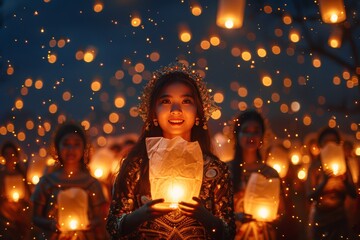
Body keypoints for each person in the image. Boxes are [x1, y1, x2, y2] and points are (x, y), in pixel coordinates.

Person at [106, 62, 235, 239]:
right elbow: (113, 226)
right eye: (166, 101)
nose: (176, 110)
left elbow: (229, 232)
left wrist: (208, 219)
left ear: (197, 112)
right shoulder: (137, 165)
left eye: (186, 101)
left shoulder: (215, 170)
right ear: (154, 113)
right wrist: (141, 215)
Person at [31, 121, 109, 239]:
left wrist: (91, 223)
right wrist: (51, 224)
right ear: (58, 147)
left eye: (76, 144)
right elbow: (35, 217)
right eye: (66, 144)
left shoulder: (91, 184)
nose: (71, 149)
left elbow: (100, 217)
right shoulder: (47, 183)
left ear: (84, 149)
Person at [228, 110, 285, 240]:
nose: (251, 136)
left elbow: (281, 211)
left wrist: (274, 218)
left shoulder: (270, 173)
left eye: (256, 131)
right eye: (246, 131)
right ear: (237, 135)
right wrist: (236, 217)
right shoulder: (226, 170)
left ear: (262, 136)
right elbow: (216, 211)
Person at [306, 127, 357, 239]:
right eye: (326, 142)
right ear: (320, 145)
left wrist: (345, 181)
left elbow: (354, 194)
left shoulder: (344, 165)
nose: (330, 145)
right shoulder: (315, 166)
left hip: (340, 219)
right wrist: (324, 182)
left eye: (333, 142)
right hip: (320, 219)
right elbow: (309, 196)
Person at [0, 140, 32, 239]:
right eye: (7, 154)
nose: (10, 157)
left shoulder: (22, 175)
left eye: (12, 154)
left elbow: (28, 198)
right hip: (4, 218)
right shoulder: (1, 176)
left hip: (21, 217)